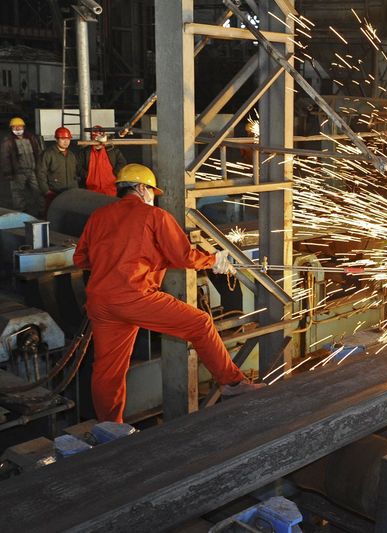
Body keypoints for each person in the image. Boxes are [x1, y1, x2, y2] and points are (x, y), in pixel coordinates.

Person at [73, 163, 264, 422]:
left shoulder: (98, 216)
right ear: (142, 188)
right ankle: (231, 384)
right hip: (136, 296)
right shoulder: (155, 217)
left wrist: (112, 263)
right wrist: (214, 260)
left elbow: (80, 259)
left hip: (101, 302)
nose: (153, 196)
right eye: (152, 191)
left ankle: (110, 427)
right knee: (200, 324)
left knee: (108, 370)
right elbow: (182, 255)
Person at [0, 117, 42, 215]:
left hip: (33, 171)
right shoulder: (8, 142)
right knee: (18, 194)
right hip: (17, 173)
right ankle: (21, 213)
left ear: (24, 127)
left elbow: (38, 153)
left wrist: (40, 168)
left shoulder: (31, 139)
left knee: (38, 191)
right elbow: (4, 159)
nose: (18, 129)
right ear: (11, 129)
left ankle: (42, 211)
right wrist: (8, 173)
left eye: (20, 126)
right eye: (15, 127)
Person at [37, 127, 79, 211]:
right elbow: (40, 173)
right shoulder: (48, 154)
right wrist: (46, 191)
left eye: (68, 139)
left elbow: (76, 172)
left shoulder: (71, 155)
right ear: (56, 139)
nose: (66, 142)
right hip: (54, 193)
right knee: (54, 215)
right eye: (63, 139)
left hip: (71, 192)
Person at [78, 125, 127, 196]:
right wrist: (87, 175)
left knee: (110, 205)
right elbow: (77, 166)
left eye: (99, 141)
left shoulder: (112, 150)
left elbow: (122, 162)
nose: (98, 143)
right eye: (95, 140)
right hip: (91, 190)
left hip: (110, 188)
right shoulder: (85, 152)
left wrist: (114, 174)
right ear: (92, 139)